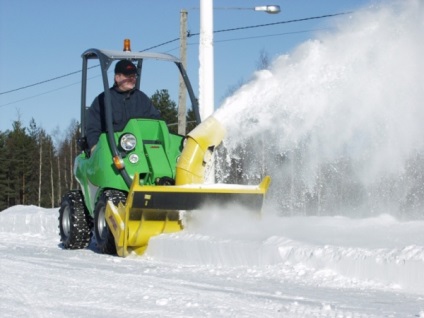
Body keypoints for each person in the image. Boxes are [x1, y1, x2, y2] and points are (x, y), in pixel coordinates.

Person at [85, 59, 161, 151]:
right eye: (128, 76)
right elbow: (93, 128)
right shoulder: (103, 99)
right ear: (117, 77)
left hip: (141, 149)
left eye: (134, 76)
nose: (132, 79)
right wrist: (95, 147)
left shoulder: (141, 98)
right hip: (112, 149)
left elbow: (156, 121)